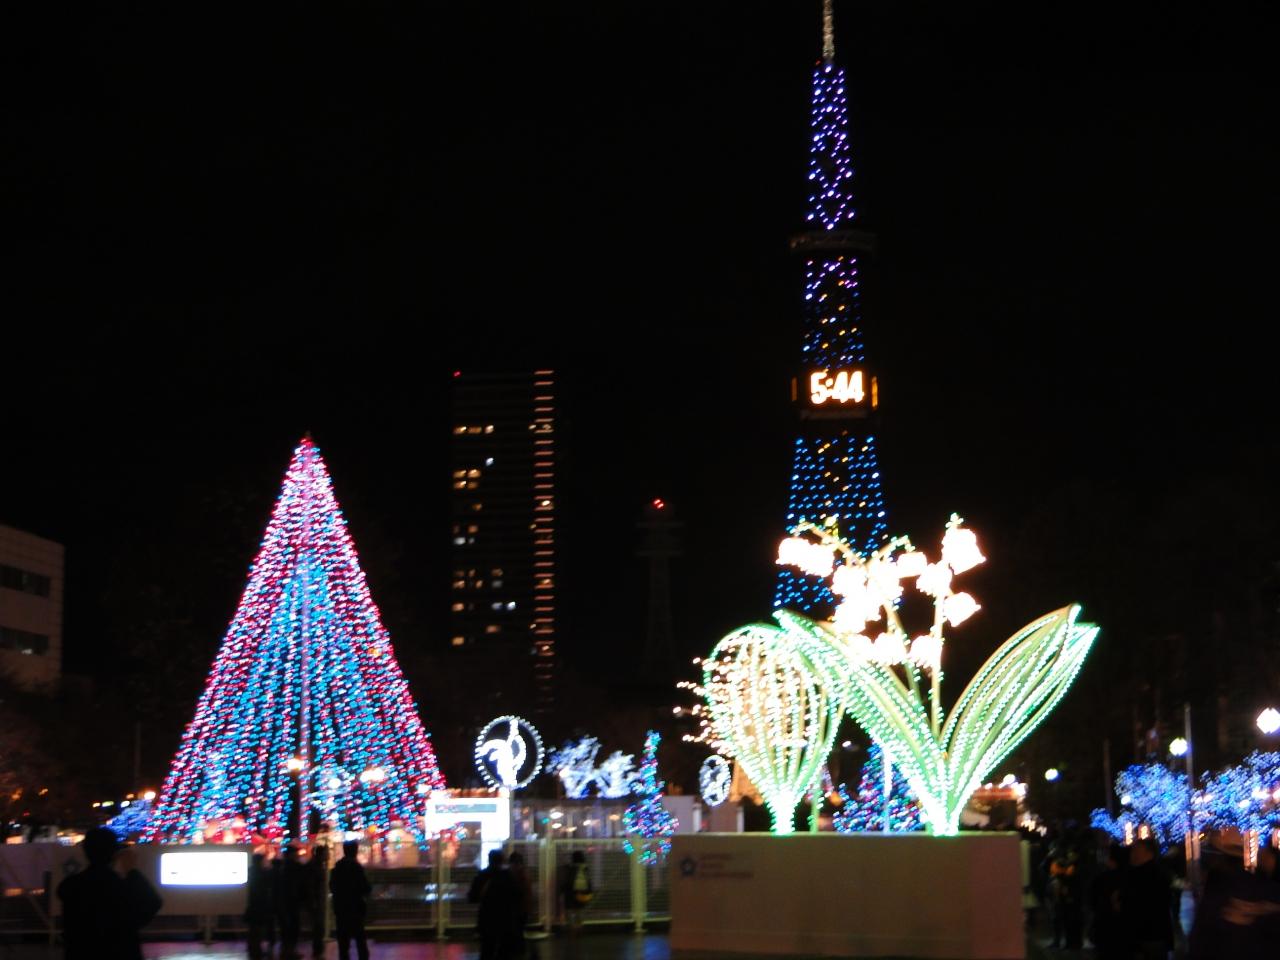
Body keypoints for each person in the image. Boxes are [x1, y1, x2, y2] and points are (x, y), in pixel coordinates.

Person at [57, 827, 162, 960]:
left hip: (82, 952)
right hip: (121, 952)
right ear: (114, 852)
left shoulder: (71, 886)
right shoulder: (122, 886)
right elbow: (153, 902)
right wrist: (131, 871)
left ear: (85, 850)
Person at [1123, 837, 1174, 960]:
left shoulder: (1143, 875)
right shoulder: (1158, 872)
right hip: (1155, 934)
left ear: (1148, 852)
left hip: (1147, 934)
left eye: (1136, 850)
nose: (1132, 854)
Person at [469, 848, 517, 960]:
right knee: (504, 952)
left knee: (487, 950)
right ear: (502, 860)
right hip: (505, 919)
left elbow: (472, 897)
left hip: (487, 918)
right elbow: (516, 896)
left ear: (489, 859)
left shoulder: (482, 876)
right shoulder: (507, 876)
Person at [329, 840, 372, 960]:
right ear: (355, 851)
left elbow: (332, 886)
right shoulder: (356, 867)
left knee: (343, 941)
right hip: (355, 907)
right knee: (360, 938)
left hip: (341, 907)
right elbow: (365, 887)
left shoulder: (338, 867)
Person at [1087, 843, 1128, 959]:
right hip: (1124, 930)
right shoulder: (1129, 877)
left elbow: (1093, 901)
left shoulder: (1102, 878)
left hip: (1104, 925)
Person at [274, 844, 305, 959]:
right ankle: (291, 951)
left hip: (282, 901)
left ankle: (285, 950)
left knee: (285, 928)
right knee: (293, 927)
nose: (298, 855)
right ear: (292, 854)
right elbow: (300, 884)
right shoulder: (296, 867)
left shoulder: (280, 867)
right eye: (296, 853)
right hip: (292, 901)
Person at [245, 853, 275, 960]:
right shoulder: (263, 872)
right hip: (261, 904)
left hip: (253, 904)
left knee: (254, 929)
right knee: (259, 928)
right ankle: (257, 950)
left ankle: (253, 949)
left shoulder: (251, 871)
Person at [301, 844, 329, 958]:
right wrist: (314, 901)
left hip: (316, 901)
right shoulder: (315, 867)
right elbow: (311, 886)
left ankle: (318, 950)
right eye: (326, 854)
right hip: (316, 902)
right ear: (321, 854)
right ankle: (318, 951)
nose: (328, 856)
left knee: (318, 926)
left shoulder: (316, 865)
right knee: (318, 927)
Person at [559, 850, 592, 939]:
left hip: (572, 892)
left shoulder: (572, 868)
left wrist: (562, 890)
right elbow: (589, 881)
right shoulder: (585, 868)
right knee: (579, 911)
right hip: (583, 892)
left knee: (569, 910)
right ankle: (579, 927)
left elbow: (568, 881)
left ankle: (572, 928)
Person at [508, 850, 534, 957]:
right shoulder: (525, 873)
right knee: (520, 931)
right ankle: (520, 952)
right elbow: (528, 892)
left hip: (515, 908)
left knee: (516, 931)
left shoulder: (512, 874)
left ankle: (517, 952)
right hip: (523, 907)